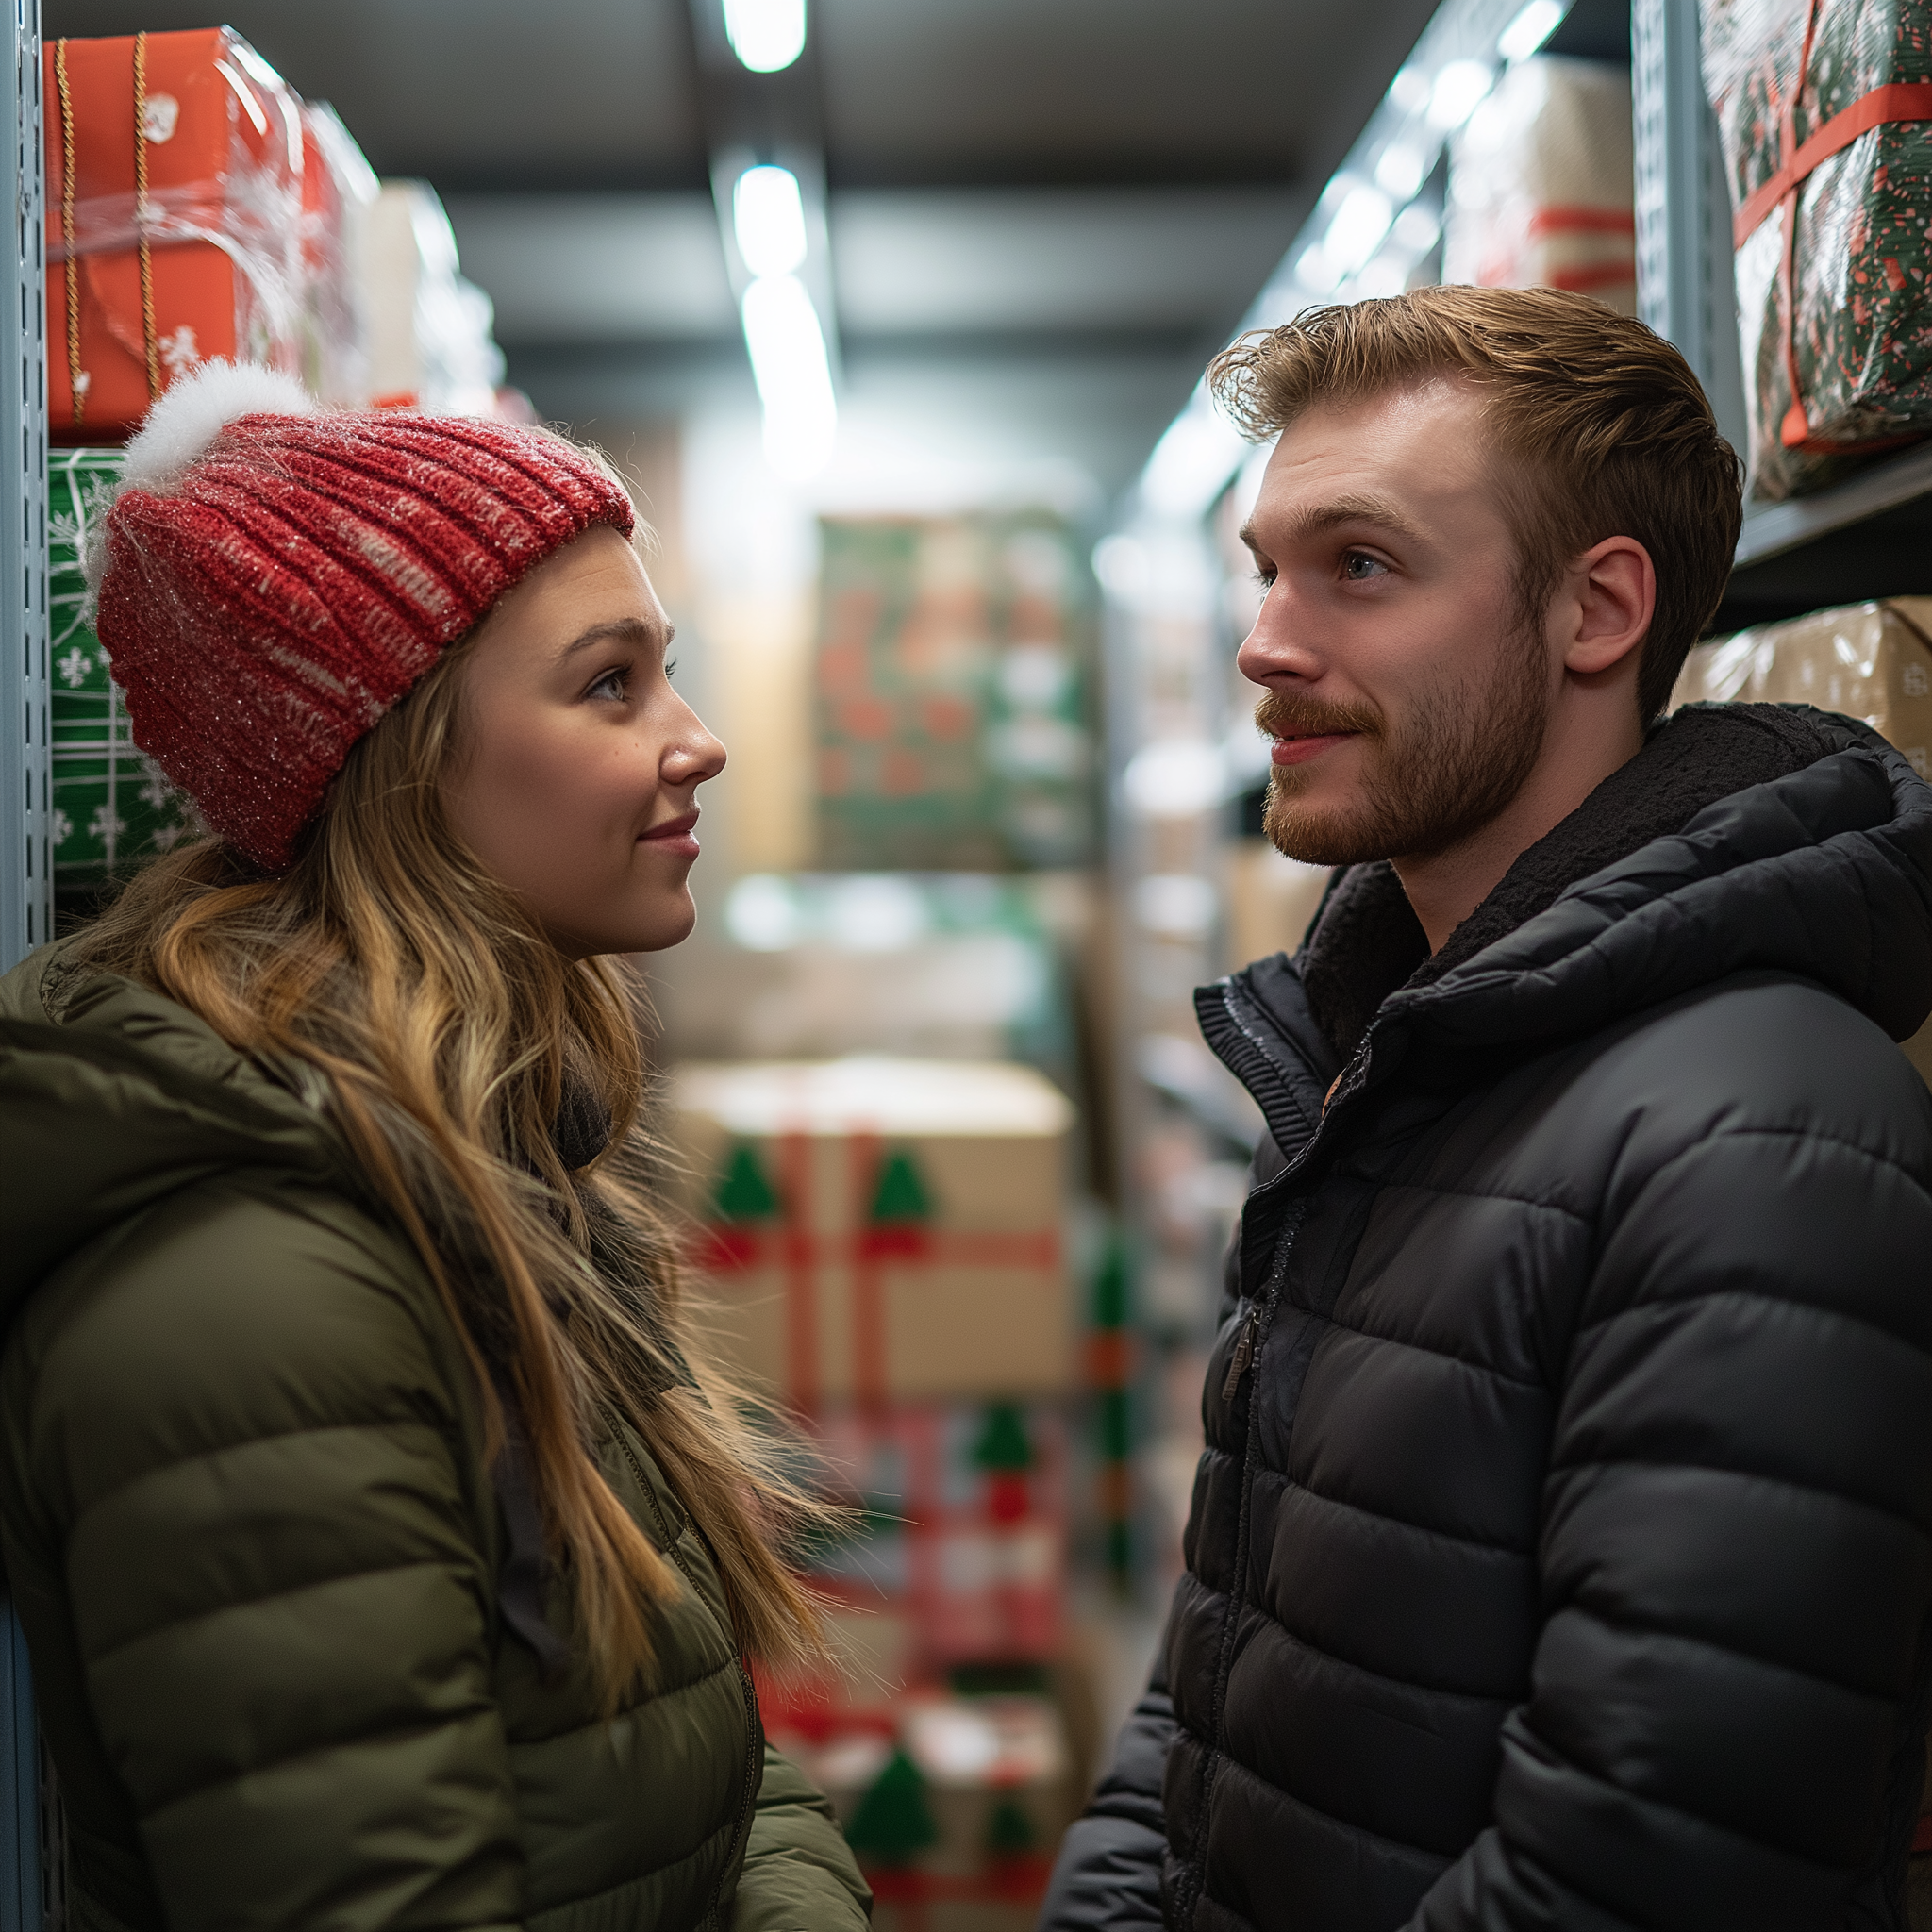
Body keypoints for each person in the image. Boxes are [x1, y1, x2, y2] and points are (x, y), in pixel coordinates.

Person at [1041, 285, 1932, 1932]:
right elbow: (1216, 1661)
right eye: (1267, 571)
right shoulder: (1369, 1070)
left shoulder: (1762, 1135)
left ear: (1596, 612)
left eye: (1359, 569)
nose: (1265, 644)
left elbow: (1655, 1868)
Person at [0, 363, 871, 1932]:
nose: (699, 743)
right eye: (612, 684)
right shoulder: (255, 1295)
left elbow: (691, 1741)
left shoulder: (501, 1168)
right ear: (402, 762)